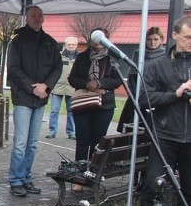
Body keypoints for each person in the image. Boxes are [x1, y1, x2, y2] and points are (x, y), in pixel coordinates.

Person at [134, 16, 191, 206]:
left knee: (188, 189)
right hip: (165, 134)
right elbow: (144, 98)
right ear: (175, 36)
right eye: (187, 37)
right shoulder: (158, 65)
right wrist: (175, 93)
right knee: (152, 183)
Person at [6, 5, 62, 197]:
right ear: (27, 18)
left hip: (41, 98)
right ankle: (15, 180)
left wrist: (46, 86)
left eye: (40, 15)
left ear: (43, 18)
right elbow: (13, 69)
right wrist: (34, 87)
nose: (37, 18)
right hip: (23, 97)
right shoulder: (18, 41)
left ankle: (26, 178)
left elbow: (57, 68)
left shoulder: (50, 42)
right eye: (33, 16)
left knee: (32, 144)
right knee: (20, 143)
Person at [67, 28, 122, 174]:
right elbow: (72, 78)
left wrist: (99, 83)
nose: (98, 42)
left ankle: (94, 172)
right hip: (83, 103)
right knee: (82, 140)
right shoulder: (82, 57)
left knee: (98, 142)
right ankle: (80, 173)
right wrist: (87, 84)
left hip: (104, 105)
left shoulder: (112, 57)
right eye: (95, 38)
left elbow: (117, 80)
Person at [117, 26, 166, 133]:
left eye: (155, 39)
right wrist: (137, 97)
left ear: (162, 39)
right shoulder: (138, 54)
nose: (152, 42)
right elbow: (132, 77)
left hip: (158, 96)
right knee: (133, 131)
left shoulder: (166, 55)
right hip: (139, 96)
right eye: (149, 39)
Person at [47, 37, 78, 140]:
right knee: (54, 110)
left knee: (71, 111)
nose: (71, 46)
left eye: (73, 44)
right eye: (69, 44)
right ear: (66, 45)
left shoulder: (79, 58)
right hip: (57, 87)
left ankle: (71, 132)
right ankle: (52, 131)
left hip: (72, 88)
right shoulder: (58, 57)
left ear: (76, 45)